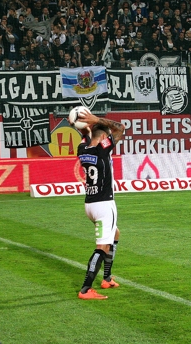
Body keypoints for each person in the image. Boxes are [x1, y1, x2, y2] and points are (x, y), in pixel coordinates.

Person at [75, 111, 125, 300]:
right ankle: (86, 289)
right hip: (104, 204)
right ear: (104, 137)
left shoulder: (83, 151)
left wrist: (84, 128)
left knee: (115, 234)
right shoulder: (103, 149)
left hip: (90, 204)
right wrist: (96, 121)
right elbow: (120, 128)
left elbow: (84, 139)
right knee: (102, 246)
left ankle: (107, 278)